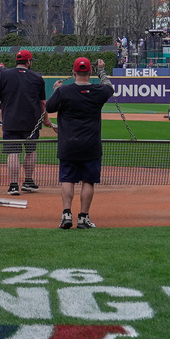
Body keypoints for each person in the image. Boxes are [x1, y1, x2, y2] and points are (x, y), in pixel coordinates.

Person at [46, 57, 113, 229]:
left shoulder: (63, 92)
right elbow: (110, 88)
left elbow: (49, 108)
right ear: (90, 72)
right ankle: (83, 217)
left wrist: (56, 89)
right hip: (91, 145)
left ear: (74, 73)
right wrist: (102, 71)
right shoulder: (98, 91)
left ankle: (66, 214)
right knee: (88, 181)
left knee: (67, 179)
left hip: (68, 144)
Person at [0, 49, 51, 196]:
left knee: (13, 152)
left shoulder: (4, 75)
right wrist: (46, 119)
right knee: (30, 151)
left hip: (11, 119)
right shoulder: (37, 77)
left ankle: (13, 185)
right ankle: (28, 182)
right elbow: (42, 102)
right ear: (28, 61)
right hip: (32, 121)